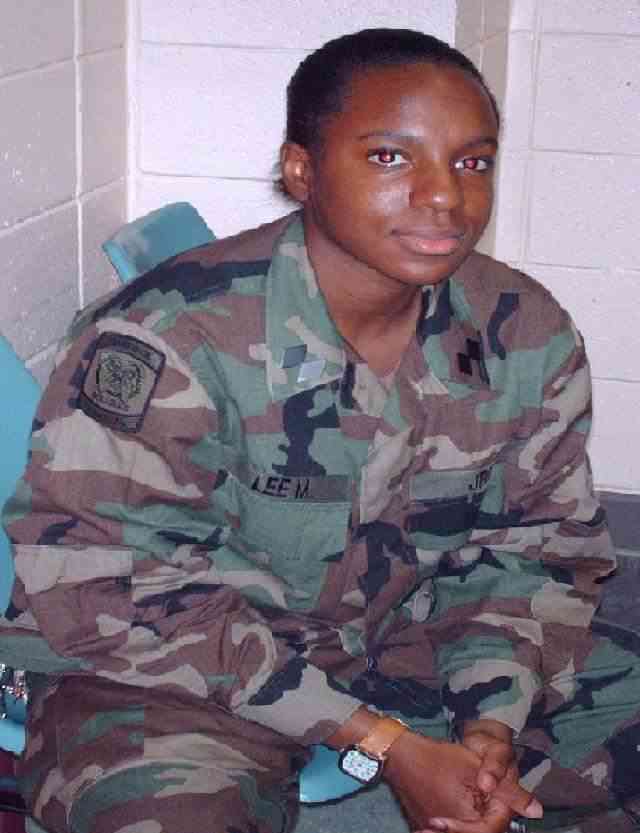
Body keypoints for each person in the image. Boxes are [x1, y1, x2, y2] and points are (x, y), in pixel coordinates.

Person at [1, 27, 639, 833]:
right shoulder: (171, 336)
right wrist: (385, 744)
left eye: (472, 163)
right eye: (390, 157)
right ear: (301, 170)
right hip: (178, 674)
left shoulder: (523, 331)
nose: (445, 196)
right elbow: (110, 584)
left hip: (408, 642)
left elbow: (532, 552)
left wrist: (490, 724)